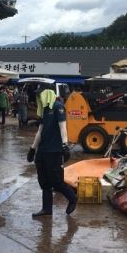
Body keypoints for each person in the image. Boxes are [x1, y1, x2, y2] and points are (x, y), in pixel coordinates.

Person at [26, 86, 77, 218]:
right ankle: (46, 209)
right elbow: (40, 131)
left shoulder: (57, 107)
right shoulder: (44, 110)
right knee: (44, 182)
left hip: (54, 151)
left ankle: (72, 198)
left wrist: (65, 145)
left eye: (40, 95)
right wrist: (32, 148)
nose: (38, 97)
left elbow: (63, 127)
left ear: (47, 93)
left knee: (56, 181)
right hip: (42, 151)